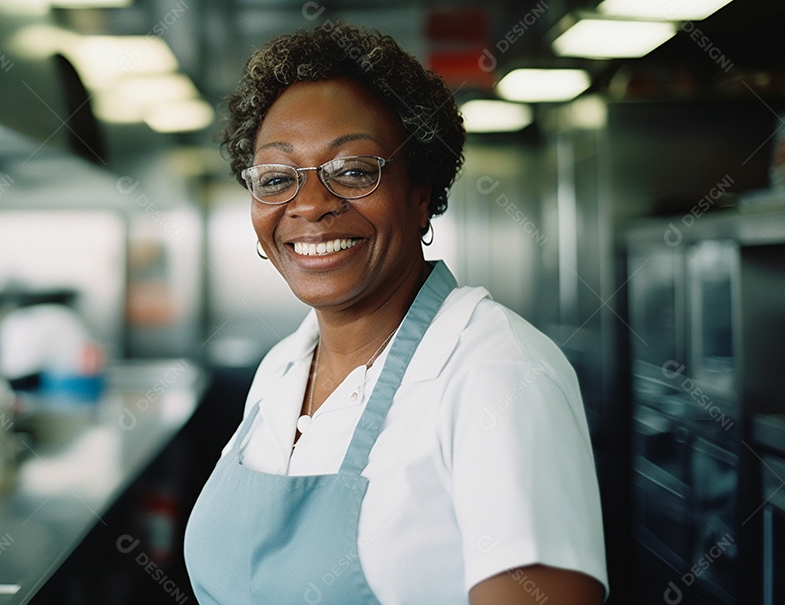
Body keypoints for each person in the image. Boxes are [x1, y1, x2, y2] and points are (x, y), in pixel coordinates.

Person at [183, 22, 608, 605]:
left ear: (420, 192)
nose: (310, 205)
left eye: (354, 170)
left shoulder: (496, 374)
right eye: (277, 179)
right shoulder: (281, 369)